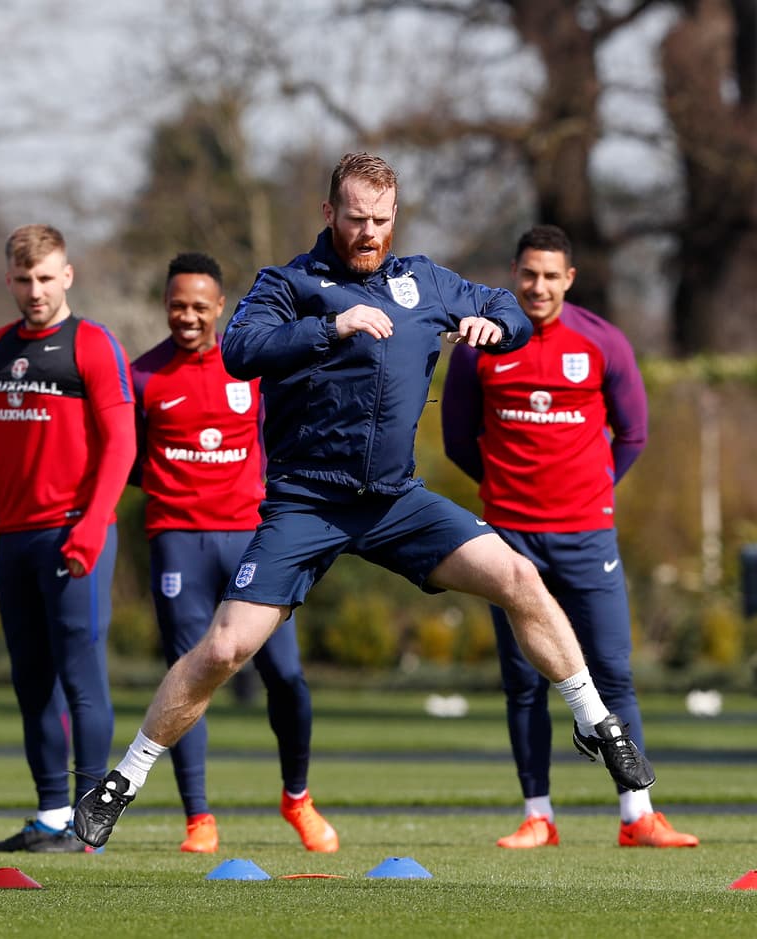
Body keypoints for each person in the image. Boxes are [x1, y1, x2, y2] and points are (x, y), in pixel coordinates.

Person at [73, 152, 656, 850]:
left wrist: (498, 328)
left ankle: (596, 723)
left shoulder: (424, 282)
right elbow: (241, 348)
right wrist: (332, 327)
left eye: (382, 219)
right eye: (356, 218)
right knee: (225, 647)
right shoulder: (289, 284)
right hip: (305, 504)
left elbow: (506, 306)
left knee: (516, 576)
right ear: (330, 213)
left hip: (394, 501)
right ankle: (122, 782)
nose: (370, 232)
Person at [441, 224, 697, 849]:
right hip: (509, 540)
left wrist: (593, 491)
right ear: (514, 271)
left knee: (612, 673)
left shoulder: (604, 341)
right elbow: (456, 439)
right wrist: (507, 489)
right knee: (525, 680)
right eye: (529, 274)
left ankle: (638, 816)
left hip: (588, 537)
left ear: (569, 279)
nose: (539, 286)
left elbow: (632, 433)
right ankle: (538, 815)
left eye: (552, 276)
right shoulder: (481, 345)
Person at [130, 251, 336, 853]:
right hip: (178, 543)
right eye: (176, 305)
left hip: (253, 538)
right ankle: (199, 818)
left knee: (287, 677)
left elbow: (287, 438)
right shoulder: (143, 376)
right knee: (189, 677)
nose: (186, 316)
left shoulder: (252, 368)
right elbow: (129, 460)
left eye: (198, 306)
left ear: (220, 307)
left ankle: (296, 799)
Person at [0, 224, 136, 853]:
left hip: (75, 535)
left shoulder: (93, 345)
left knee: (82, 681)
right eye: (23, 279)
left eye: (46, 278)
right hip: (15, 538)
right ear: (9, 279)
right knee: (31, 681)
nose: (35, 290)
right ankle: (51, 816)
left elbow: (121, 445)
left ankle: (90, 826)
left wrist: (91, 523)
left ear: (68, 276)